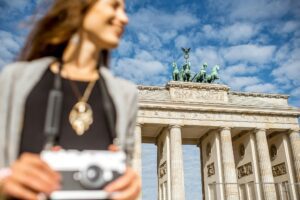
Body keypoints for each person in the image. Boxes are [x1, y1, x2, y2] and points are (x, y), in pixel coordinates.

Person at [0, 0, 141, 199]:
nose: (125, 18)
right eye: (114, 6)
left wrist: (129, 185)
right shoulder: (15, 80)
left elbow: (122, 174)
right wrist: (4, 182)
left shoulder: (125, 95)